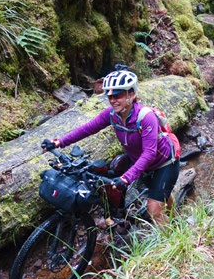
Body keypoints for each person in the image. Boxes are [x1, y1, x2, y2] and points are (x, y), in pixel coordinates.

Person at [43, 69, 180, 226]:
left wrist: (126, 178)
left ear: (131, 94)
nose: (113, 100)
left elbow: (149, 153)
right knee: (162, 193)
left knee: (154, 209)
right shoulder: (111, 114)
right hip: (142, 164)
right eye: (110, 96)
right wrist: (60, 142)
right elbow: (88, 128)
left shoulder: (145, 117)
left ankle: (173, 240)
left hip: (164, 162)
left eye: (118, 95)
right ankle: (173, 218)